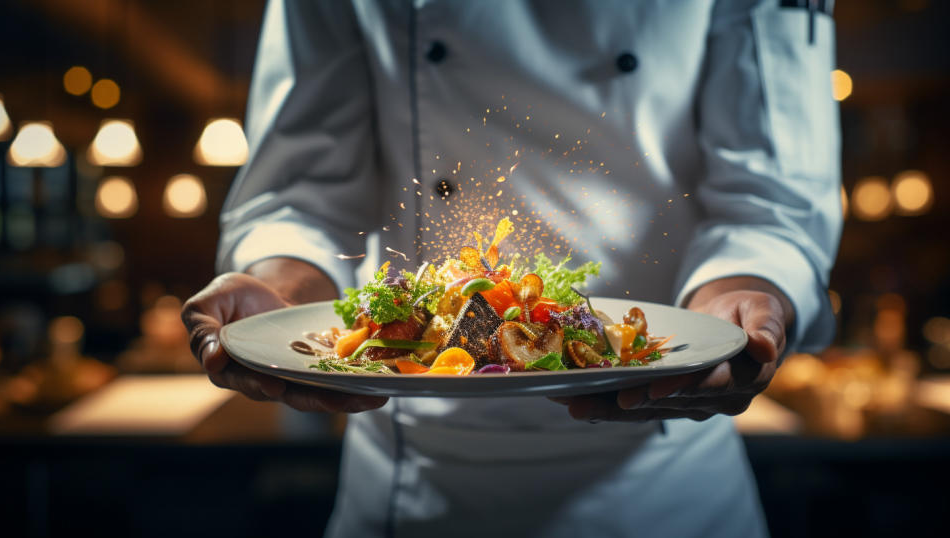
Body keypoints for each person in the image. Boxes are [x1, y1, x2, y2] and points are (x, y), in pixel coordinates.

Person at [182, 1, 841, 536]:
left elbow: (771, 196)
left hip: (662, 485)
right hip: (415, 482)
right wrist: (283, 291)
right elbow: (302, 187)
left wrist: (745, 289)